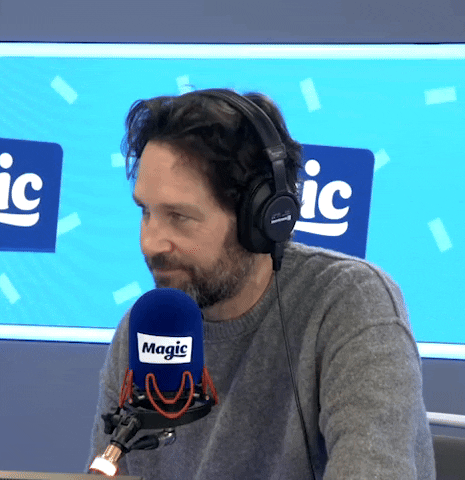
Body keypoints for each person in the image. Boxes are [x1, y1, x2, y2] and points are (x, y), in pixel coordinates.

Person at [86, 89, 436, 479]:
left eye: (179, 217)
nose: (150, 243)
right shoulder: (147, 328)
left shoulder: (349, 303)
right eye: (146, 212)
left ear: (261, 218)